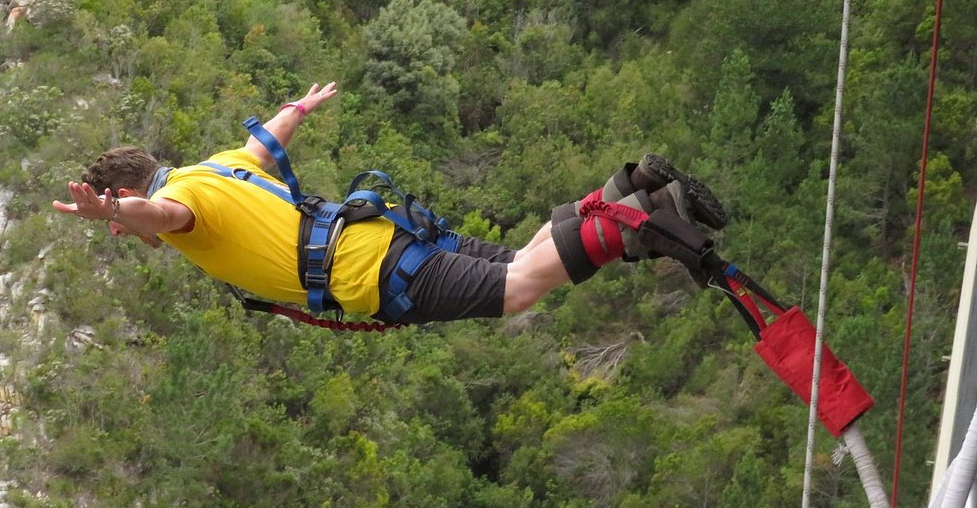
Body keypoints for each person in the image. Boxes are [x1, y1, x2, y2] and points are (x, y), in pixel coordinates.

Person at [52, 81, 727, 324]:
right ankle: (627, 190)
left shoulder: (178, 208)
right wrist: (298, 109)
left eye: (118, 216)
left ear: (130, 191)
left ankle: (643, 223)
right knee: (524, 259)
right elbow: (266, 141)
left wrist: (113, 213)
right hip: (383, 235)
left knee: (519, 291)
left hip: (372, 272)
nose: (122, 232)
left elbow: (161, 217)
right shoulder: (217, 166)